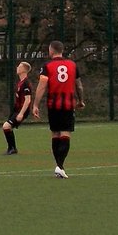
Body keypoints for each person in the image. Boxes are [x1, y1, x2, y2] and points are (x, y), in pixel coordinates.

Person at [31, 41, 84, 179]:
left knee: (55, 133)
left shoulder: (47, 66)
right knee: (65, 133)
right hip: (68, 104)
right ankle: (60, 166)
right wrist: (81, 100)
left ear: (51, 50)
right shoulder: (72, 65)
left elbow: (42, 86)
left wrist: (35, 104)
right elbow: (79, 86)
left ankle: (59, 166)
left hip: (53, 105)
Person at [2, 62, 33, 155]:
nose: (17, 68)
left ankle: (12, 148)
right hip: (17, 109)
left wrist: (21, 113)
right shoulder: (20, 82)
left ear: (24, 70)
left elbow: (28, 100)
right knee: (8, 128)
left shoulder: (26, 83)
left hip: (21, 110)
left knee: (6, 126)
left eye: (19, 66)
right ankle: (12, 148)